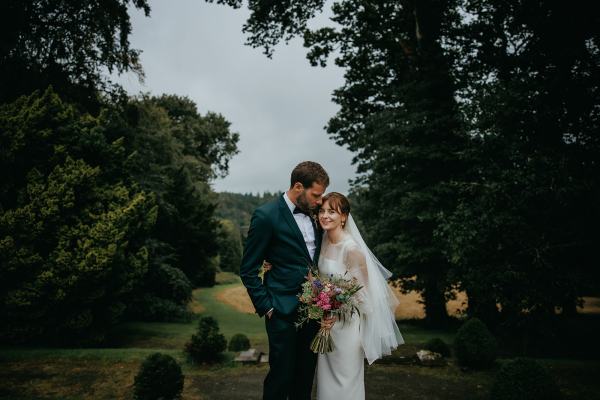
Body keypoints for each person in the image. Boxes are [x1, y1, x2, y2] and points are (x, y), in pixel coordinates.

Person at [240, 161, 329, 400]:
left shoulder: (316, 217)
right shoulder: (266, 215)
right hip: (281, 310)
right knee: (281, 378)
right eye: (316, 195)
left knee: (305, 379)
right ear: (298, 186)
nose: (320, 202)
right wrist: (267, 306)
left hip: (313, 312)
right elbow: (248, 269)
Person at [315, 192, 404, 400]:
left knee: (346, 381)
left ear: (344, 217)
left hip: (346, 327)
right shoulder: (324, 242)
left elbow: (363, 295)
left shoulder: (352, 249)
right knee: (325, 380)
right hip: (326, 323)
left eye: (332, 212)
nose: (325, 216)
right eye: (322, 211)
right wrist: (321, 305)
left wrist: (336, 312)